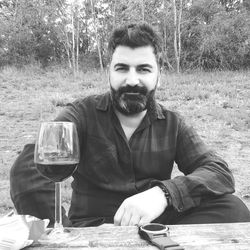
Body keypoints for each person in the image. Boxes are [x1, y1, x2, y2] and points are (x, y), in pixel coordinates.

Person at [10, 22, 250, 227]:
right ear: (109, 73)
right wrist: (62, 231)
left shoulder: (172, 123)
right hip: (92, 229)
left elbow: (218, 172)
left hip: (154, 224)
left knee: (234, 208)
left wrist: (163, 194)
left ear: (159, 74)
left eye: (144, 69)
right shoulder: (81, 114)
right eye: (122, 68)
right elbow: (28, 167)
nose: (132, 80)